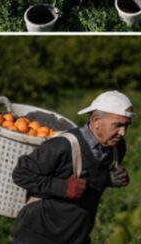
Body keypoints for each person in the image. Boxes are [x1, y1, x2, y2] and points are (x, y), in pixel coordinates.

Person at [12, 91, 134, 244]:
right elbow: (21, 173)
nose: (123, 132)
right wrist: (63, 187)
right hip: (38, 235)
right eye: (118, 125)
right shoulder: (61, 146)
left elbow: (92, 177)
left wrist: (109, 178)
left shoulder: (117, 148)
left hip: (77, 236)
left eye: (127, 125)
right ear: (96, 121)